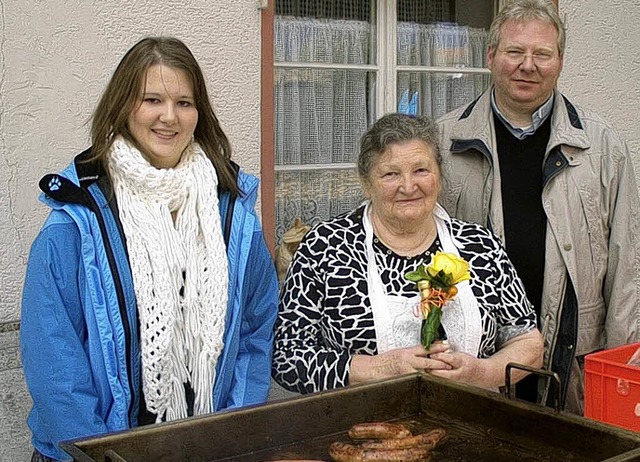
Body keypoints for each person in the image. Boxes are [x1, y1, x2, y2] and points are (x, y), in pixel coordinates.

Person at [20, 36, 279, 461]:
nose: (169, 117)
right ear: (124, 106)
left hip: (205, 449)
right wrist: (100, 454)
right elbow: (54, 362)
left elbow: (254, 329)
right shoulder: (76, 219)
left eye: (184, 102)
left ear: (200, 113)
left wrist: (235, 429)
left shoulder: (233, 216)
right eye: (152, 99)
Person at [436, 0, 640, 414]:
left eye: (542, 54)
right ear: (491, 55)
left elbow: (627, 264)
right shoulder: (443, 141)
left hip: (573, 358)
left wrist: (622, 363)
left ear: (560, 61)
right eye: (515, 52)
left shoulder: (602, 148)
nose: (527, 65)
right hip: (474, 358)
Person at [272, 113, 544, 395]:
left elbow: (527, 342)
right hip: (359, 429)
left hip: (473, 426)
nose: (409, 186)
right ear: (366, 183)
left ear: (439, 175)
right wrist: (383, 368)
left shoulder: (479, 245)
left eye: (421, 170)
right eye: (391, 174)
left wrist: (481, 372)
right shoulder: (325, 247)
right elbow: (286, 358)